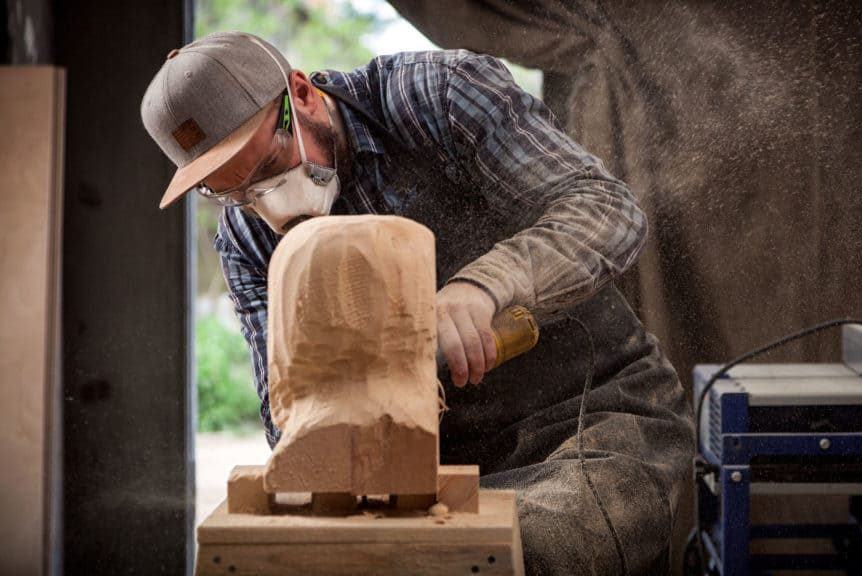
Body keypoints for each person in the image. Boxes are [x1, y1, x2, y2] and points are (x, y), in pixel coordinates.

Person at [141, 30, 693, 575]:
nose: (270, 206)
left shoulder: (434, 96)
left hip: (592, 426)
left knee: (516, 554)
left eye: (267, 166)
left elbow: (607, 212)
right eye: (231, 193)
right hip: (422, 473)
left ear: (301, 95)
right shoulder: (248, 241)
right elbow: (285, 416)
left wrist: (483, 287)